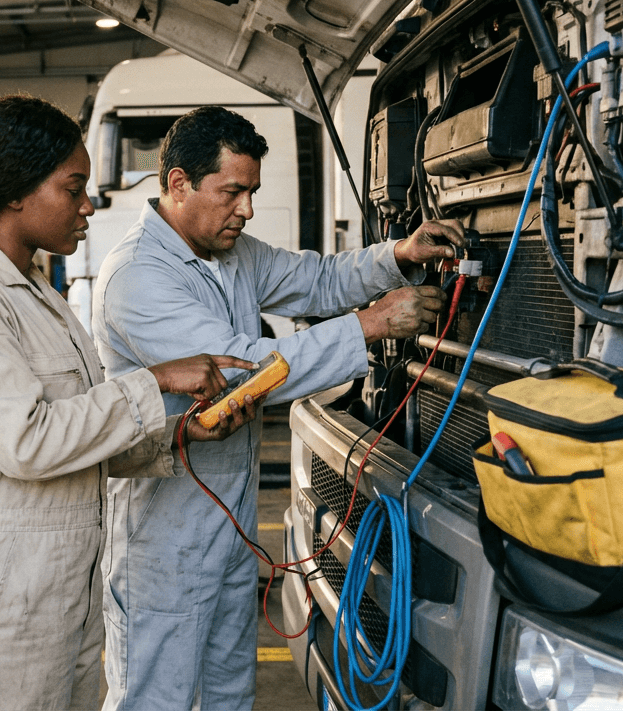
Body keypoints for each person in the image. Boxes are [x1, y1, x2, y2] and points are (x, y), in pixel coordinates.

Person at [92, 105, 464, 710]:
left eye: (252, 192)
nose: (246, 209)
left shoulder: (230, 252)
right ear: (178, 184)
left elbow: (316, 280)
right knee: (152, 701)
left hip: (230, 532)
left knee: (229, 695)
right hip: (164, 542)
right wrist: (370, 325)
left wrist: (398, 253)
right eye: (232, 191)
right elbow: (241, 369)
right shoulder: (138, 277)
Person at [0, 95, 257, 711]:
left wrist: (176, 437)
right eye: (73, 188)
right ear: (15, 191)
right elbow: (28, 443)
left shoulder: (37, 292)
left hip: (57, 590)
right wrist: (158, 381)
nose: (89, 204)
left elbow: (79, 434)